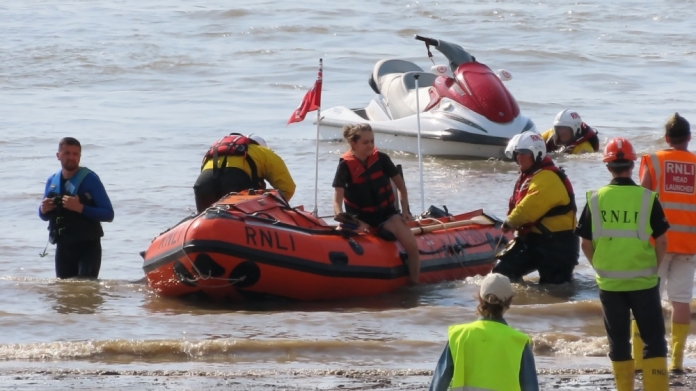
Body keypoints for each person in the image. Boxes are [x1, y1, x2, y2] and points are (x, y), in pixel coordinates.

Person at [576, 137, 669, 391]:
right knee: (654, 341)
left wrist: (601, 268)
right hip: (644, 281)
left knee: (618, 342)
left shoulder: (595, 199)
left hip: (610, 283)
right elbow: (662, 242)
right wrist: (654, 268)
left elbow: (585, 244)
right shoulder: (647, 199)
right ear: (632, 164)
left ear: (608, 167)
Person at [635, 112, 696, 374]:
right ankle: (677, 362)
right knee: (681, 301)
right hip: (689, 243)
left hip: (656, 241)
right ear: (689, 138)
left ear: (667, 138)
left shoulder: (655, 161)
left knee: (647, 300)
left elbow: (642, 199)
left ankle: (640, 360)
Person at [331, 123, 420, 284]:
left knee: (412, 247)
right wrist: (340, 216)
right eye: (365, 142)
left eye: (372, 141)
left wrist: (405, 210)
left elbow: (401, 186)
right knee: (340, 235)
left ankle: (415, 285)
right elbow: (337, 199)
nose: (370, 145)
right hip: (360, 219)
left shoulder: (382, 159)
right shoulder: (345, 165)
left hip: (387, 216)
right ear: (354, 144)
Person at [492, 131, 579, 284]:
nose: (519, 156)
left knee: (554, 290)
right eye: (517, 153)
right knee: (501, 275)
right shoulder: (532, 176)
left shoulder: (547, 177)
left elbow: (529, 208)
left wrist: (509, 222)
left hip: (558, 245)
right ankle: (514, 304)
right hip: (534, 241)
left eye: (524, 152)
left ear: (537, 154)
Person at [429, 273, 539, 391]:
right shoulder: (519, 341)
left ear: (480, 299)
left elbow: (438, 384)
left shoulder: (459, 336)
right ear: (509, 301)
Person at [38, 137, 114, 279]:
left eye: (75, 154)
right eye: (67, 153)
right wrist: (43, 210)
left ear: (80, 156)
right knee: (65, 294)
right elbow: (43, 216)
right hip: (63, 248)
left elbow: (108, 214)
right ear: (58, 155)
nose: (71, 157)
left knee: (85, 290)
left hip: (88, 247)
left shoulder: (90, 179)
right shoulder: (52, 180)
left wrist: (80, 208)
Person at [193, 133, 296, 212]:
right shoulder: (264, 152)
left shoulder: (215, 152)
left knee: (206, 216)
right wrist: (272, 207)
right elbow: (288, 188)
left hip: (203, 185)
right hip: (236, 183)